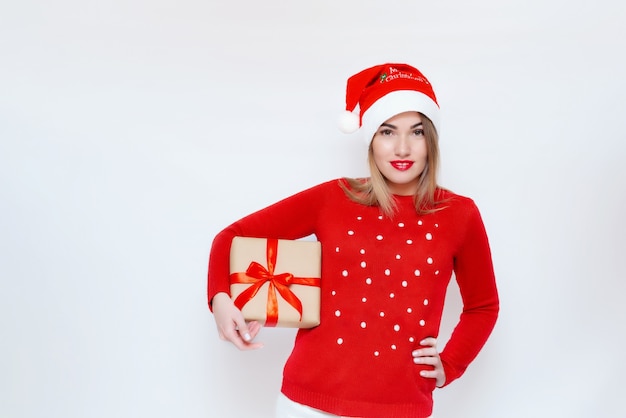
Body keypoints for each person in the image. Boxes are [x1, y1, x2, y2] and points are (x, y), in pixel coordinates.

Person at [207, 63, 499, 418]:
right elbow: (232, 236)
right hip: (305, 403)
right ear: (372, 138)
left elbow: (482, 306)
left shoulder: (460, 214)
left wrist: (450, 364)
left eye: (417, 132)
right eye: (388, 132)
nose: (402, 148)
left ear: (431, 141)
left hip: (401, 406)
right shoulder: (333, 198)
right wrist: (221, 300)